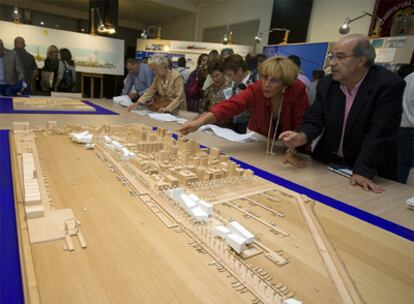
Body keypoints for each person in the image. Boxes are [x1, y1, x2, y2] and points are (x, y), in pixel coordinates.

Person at [279, 34, 406, 193]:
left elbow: (379, 133)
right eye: (331, 57)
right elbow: (314, 119)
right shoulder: (327, 84)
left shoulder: (387, 85)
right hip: (329, 163)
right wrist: (302, 136)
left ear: (361, 60)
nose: (332, 63)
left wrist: (362, 171)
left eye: (340, 57)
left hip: (369, 169)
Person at [178, 56, 309, 162]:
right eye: (264, 77)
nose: (266, 85)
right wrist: (198, 123)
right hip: (259, 137)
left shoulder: (298, 91)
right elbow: (231, 105)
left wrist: (292, 150)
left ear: (285, 83)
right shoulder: (257, 88)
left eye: (274, 81)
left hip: (288, 143)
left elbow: (302, 124)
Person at [397, 69, 414, 183]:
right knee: (401, 169)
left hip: (402, 128)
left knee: (400, 167)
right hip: (409, 131)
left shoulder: (409, 77)